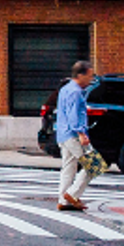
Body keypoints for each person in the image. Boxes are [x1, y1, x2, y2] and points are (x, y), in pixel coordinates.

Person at [54, 60, 95, 210]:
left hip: (63, 134)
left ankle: (63, 200)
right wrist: (81, 133)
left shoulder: (65, 89)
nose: (91, 79)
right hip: (73, 134)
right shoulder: (76, 92)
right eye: (89, 76)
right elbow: (73, 115)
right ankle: (72, 194)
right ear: (80, 75)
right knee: (93, 165)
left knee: (68, 167)